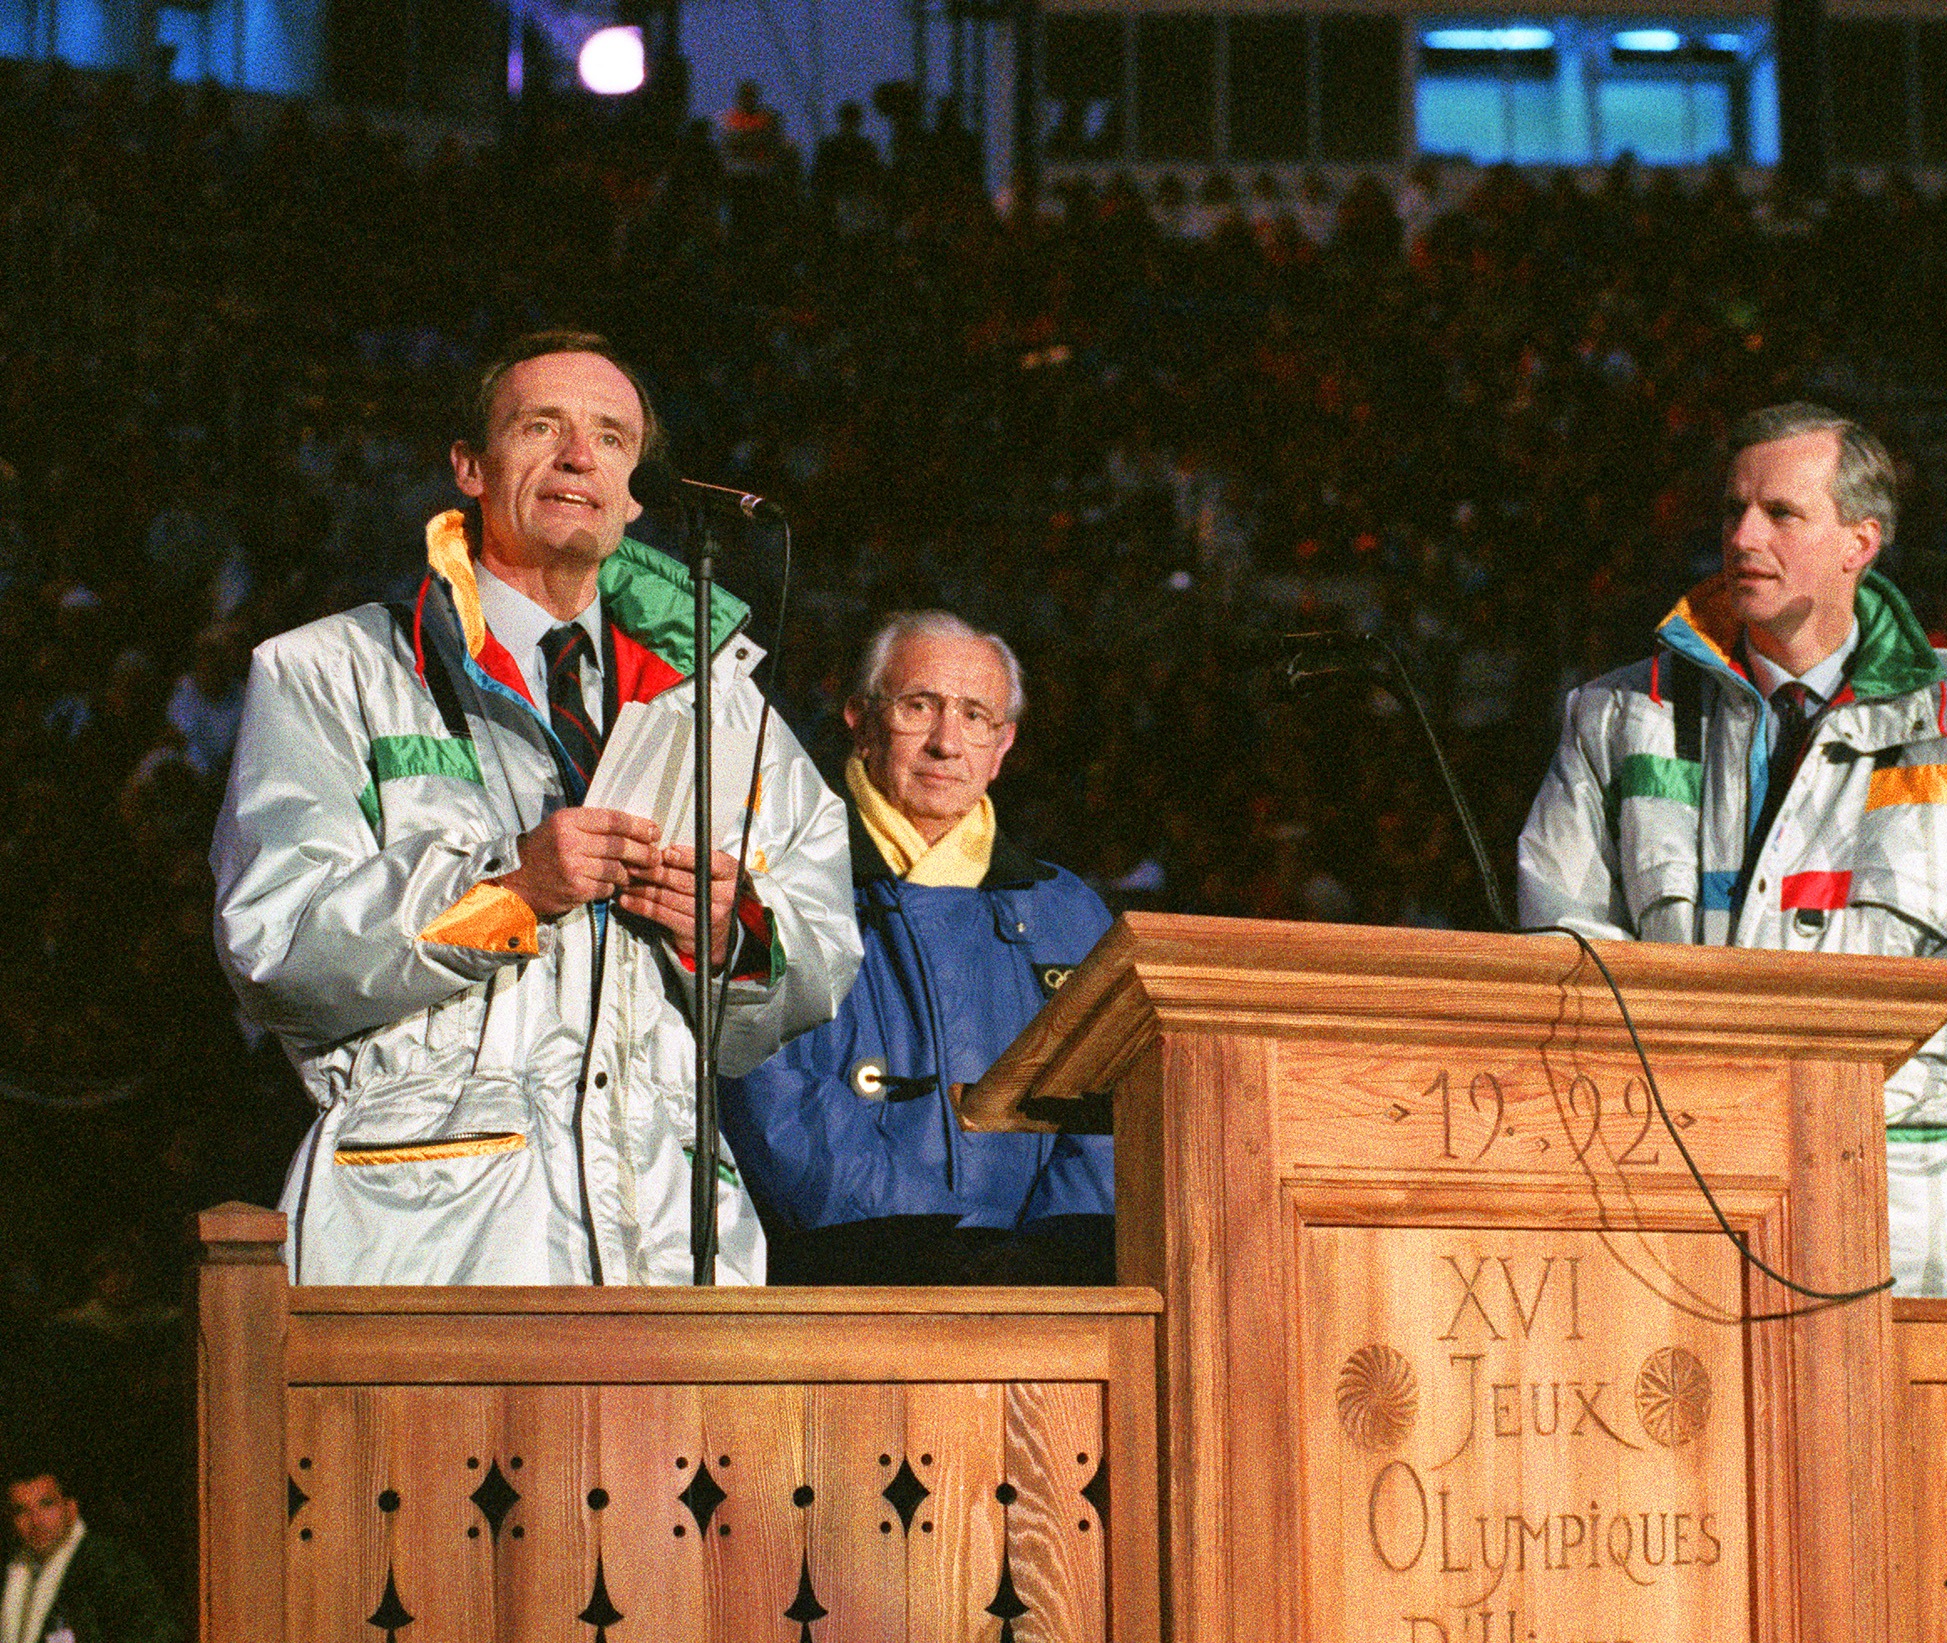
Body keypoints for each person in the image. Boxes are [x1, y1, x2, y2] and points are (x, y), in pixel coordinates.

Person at [211, 331, 860, 1285]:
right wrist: (508, 889)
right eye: (541, 425)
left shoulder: (719, 701)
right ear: (471, 467)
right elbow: (276, 947)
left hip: (674, 1243)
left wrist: (731, 932)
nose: (577, 455)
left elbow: (823, 952)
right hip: (435, 1243)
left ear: (635, 491)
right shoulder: (330, 672)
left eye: (611, 436)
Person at [1517, 403, 1947, 1298]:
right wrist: (1707, 1110)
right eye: (1733, 510)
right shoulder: (1616, 716)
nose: (1742, 536)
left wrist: (1824, 1110)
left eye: (1781, 513)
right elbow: (1563, 942)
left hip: (1911, 1218)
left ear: (1861, 541)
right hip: (1676, 1196)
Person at [723, 611, 1115, 1285]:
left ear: (1003, 745)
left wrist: (1055, 1248)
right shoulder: (770, 883)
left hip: (1048, 1291)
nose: (946, 742)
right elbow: (765, 1085)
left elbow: (1114, 1109)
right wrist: (924, 1246)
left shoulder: (1069, 909)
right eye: (919, 706)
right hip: (850, 1279)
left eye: (975, 716)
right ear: (859, 718)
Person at [2, 1463, 181, 1643]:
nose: (36, 1521)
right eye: (21, 1511)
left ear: (71, 1509)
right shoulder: (13, 1573)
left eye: (46, 1505)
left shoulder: (110, 1565)